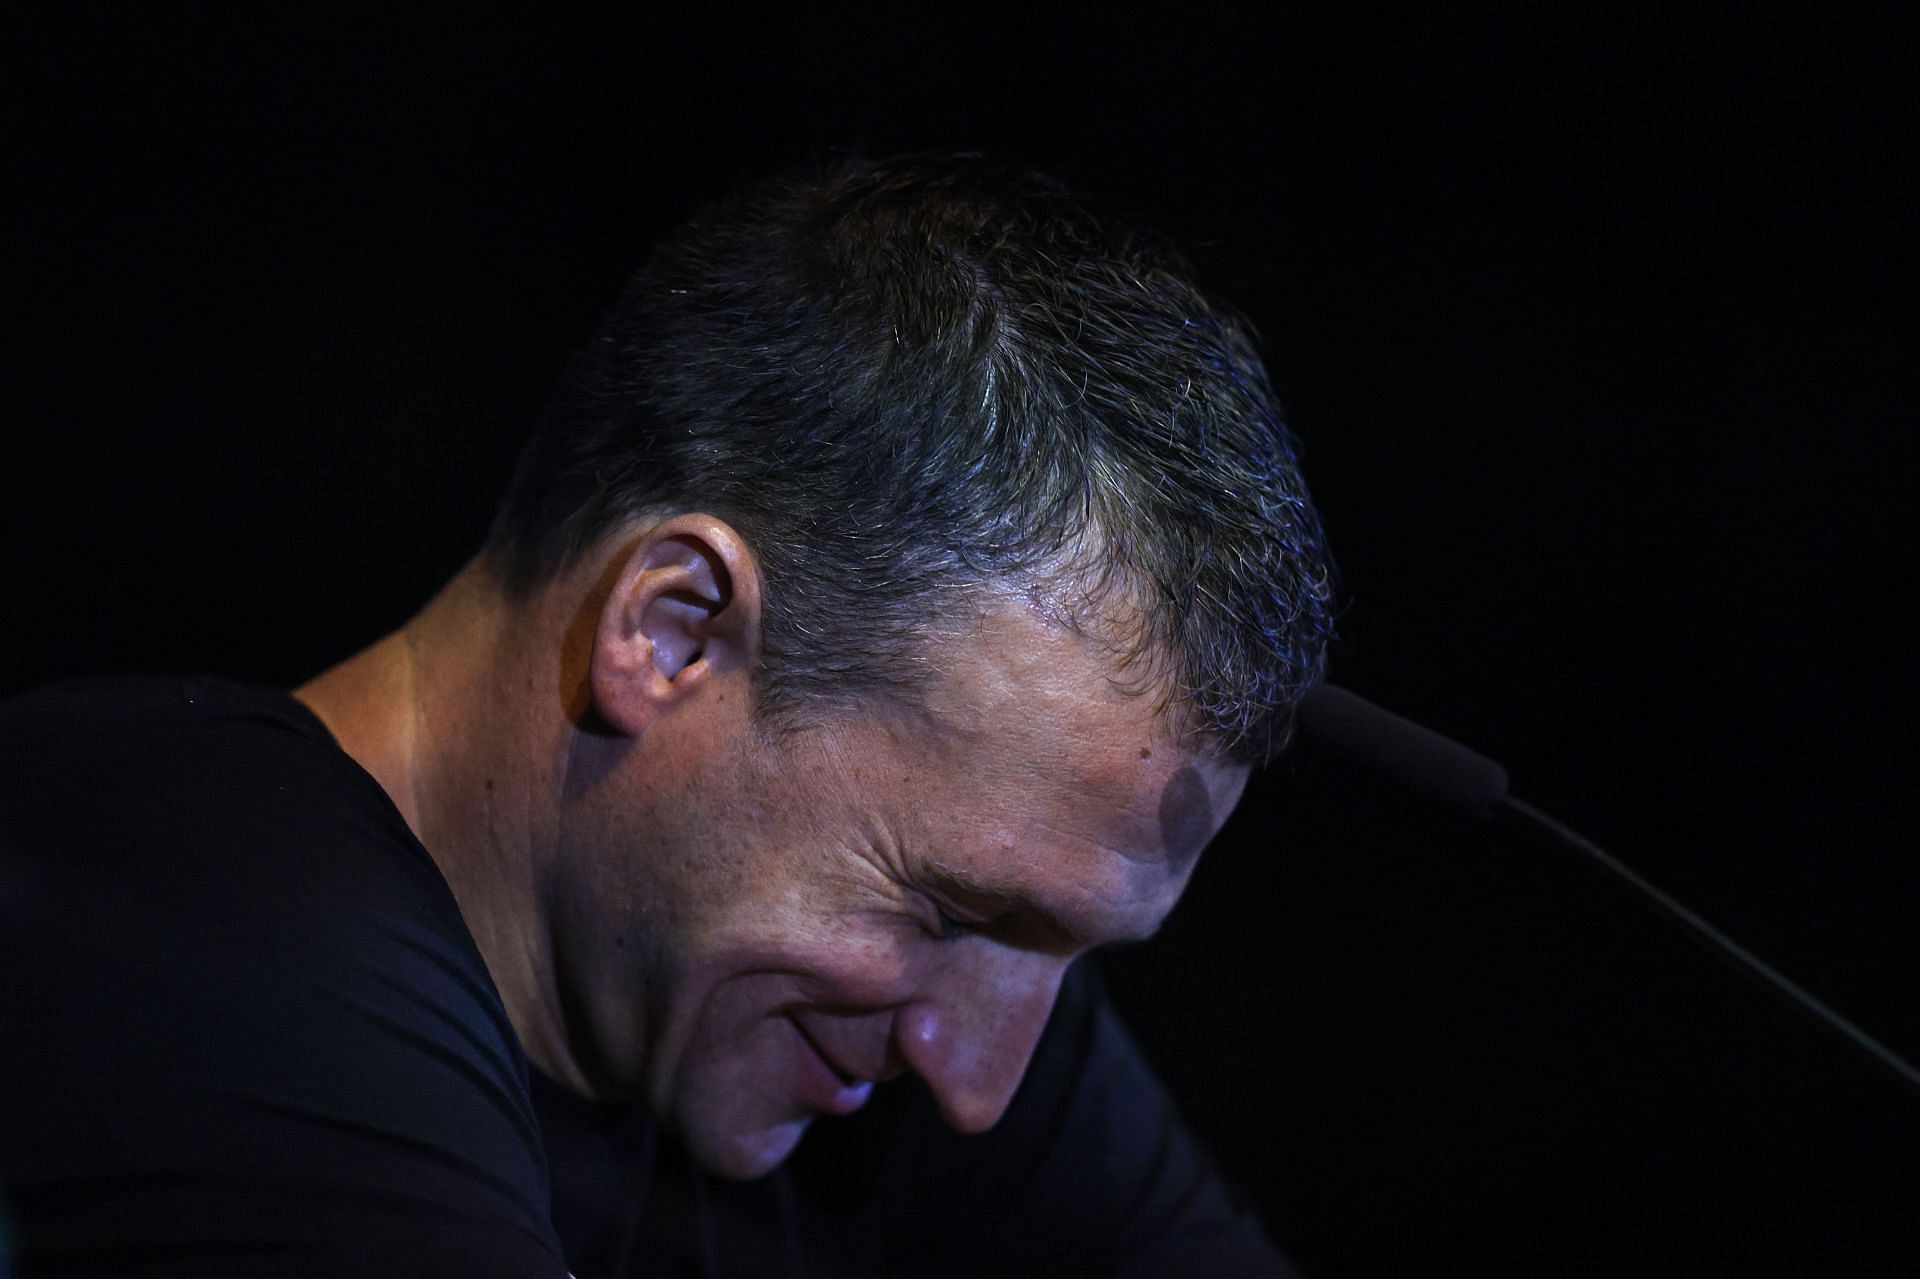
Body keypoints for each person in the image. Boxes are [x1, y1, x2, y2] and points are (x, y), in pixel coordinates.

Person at [0, 154, 1335, 1276]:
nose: (980, 1083)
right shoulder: (190, 899)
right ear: (673, 629)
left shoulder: (897, 1002)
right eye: (948, 912)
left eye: (1067, 951)